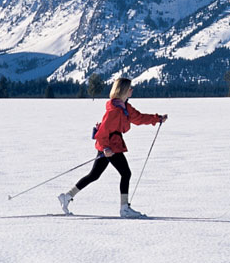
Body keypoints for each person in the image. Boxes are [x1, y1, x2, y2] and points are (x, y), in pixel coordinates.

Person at [58, 77, 167, 218]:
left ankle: (67, 196)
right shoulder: (114, 111)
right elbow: (102, 132)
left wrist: (157, 118)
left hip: (112, 145)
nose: (132, 90)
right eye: (129, 89)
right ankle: (124, 209)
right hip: (110, 146)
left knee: (94, 175)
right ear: (123, 91)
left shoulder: (125, 107)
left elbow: (139, 118)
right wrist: (105, 148)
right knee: (126, 173)